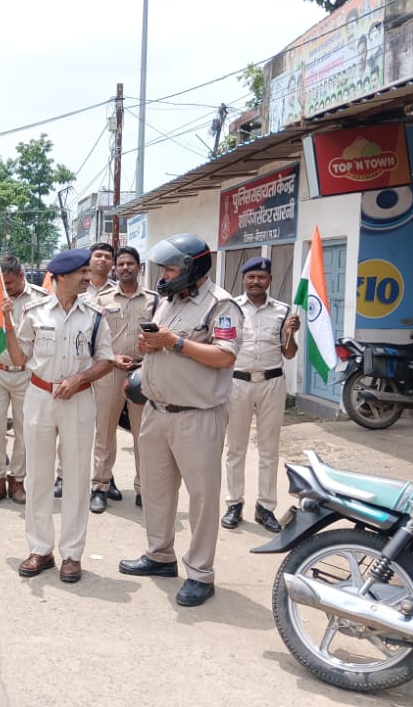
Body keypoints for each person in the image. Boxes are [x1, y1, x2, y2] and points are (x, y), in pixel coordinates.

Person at [118, 233, 242, 608]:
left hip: (197, 416)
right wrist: (147, 347)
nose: (164, 274)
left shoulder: (222, 306)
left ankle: (201, 573)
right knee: (155, 489)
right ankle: (159, 556)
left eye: (171, 268)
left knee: (202, 497)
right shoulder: (167, 301)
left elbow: (225, 357)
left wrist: (174, 343)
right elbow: (161, 343)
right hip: (157, 411)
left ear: (193, 268)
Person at [4, 248, 113, 584]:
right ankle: (40, 549)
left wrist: (79, 379)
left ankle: (72, 555)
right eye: (82, 272)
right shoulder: (35, 312)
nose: (88, 276)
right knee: (37, 475)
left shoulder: (94, 316)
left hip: (78, 400)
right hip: (39, 396)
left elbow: (106, 360)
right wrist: (6, 322)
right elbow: (20, 356)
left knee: (77, 480)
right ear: (62, 276)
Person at [222, 257, 300, 533]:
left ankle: (265, 507)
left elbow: (288, 353)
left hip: (271, 382)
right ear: (244, 279)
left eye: (261, 277)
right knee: (235, 448)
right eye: (251, 277)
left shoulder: (283, 311)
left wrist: (292, 333)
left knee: (269, 449)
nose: (256, 281)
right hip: (238, 383)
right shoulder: (230, 308)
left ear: (269, 280)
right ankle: (234, 504)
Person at [0, 255, 48, 505]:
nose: (6, 289)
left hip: (26, 374)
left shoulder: (39, 299)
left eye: (11, 283)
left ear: (22, 276)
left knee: (26, 430)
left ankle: (17, 480)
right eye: (2, 284)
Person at [90, 246, 158, 513]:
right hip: (110, 372)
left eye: (131, 263)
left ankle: (144, 489)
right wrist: (112, 357)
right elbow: (92, 339)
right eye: (121, 264)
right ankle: (100, 487)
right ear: (115, 270)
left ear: (139, 267)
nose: (125, 268)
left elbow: (162, 335)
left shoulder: (154, 300)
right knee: (104, 432)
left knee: (144, 435)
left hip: (143, 374)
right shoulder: (103, 300)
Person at [54, 241, 115, 499]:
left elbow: (106, 351)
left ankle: (101, 481)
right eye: (96, 256)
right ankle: (61, 476)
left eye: (107, 256)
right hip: (62, 382)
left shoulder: (114, 297)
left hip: (101, 377)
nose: (101, 261)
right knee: (61, 434)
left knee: (103, 430)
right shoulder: (46, 307)